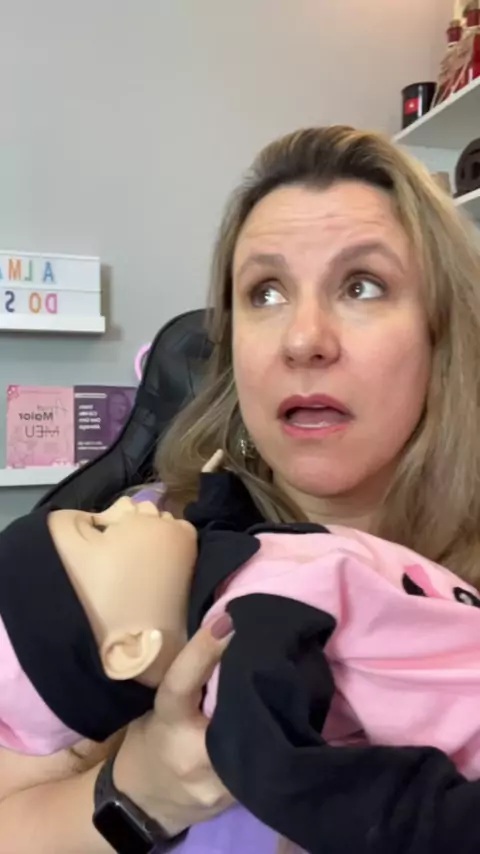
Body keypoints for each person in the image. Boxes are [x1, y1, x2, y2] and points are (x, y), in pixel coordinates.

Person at [2, 124, 480, 853]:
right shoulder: (139, 562)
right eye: (266, 292)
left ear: (440, 335)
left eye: (362, 285)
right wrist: (137, 791)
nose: (303, 339)